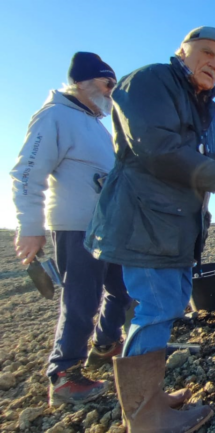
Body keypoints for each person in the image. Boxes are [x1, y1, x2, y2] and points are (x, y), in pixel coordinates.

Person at [84, 27, 215, 431]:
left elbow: (185, 153)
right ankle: (145, 418)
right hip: (146, 219)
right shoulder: (151, 81)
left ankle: (149, 399)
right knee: (156, 308)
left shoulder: (198, 102)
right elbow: (155, 148)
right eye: (207, 53)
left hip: (172, 225)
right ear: (183, 51)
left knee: (167, 306)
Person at [10, 52, 131, 407]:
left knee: (121, 290)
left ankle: (106, 344)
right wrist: (29, 227)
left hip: (107, 228)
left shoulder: (95, 123)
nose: (113, 93)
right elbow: (26, 173)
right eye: (109, 85)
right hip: (75, 227)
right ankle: (63, 374)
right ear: (83, 82)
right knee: (81, 299)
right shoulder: (54, 116)